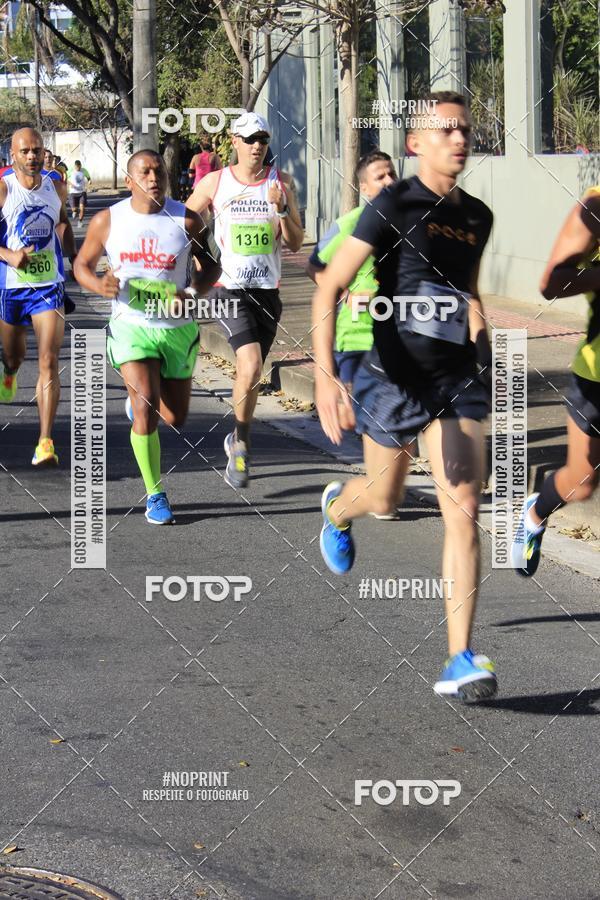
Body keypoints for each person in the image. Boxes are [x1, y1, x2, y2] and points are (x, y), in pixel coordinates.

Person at [312, 92, 497, 702]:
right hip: (392, 376)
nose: (459, 138)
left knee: (464, 505)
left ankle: (459, 658)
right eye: (445, 130)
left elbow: (468, 293)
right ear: (416, 143)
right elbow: (331, 285)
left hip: (457, 379)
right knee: (385, 497)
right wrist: (326, 377)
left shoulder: (478, 217)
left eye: (465, 129)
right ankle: (340, 509)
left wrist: (486, 358)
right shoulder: (394, 202)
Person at [74, 149, 221, 524]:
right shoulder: (108, 221)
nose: (154, 177)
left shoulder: (187, 219)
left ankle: (146, 407)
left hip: (176, 330)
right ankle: (155, 495)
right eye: (145, 172)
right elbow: (81, 265)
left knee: (173, 416)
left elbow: (211, 266)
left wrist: (188, 294)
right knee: (145, 407)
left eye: (159, 171)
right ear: (130, 181)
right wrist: (98, 284)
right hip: (130, 326)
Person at [186, 112, 304, 490]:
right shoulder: (215, 182)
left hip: (267, 293)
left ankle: (239, 435)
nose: (257, 145)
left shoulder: (281, 183)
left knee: (250, 375)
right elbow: (184, 220)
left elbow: (297, 242)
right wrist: (199, 256)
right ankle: (240, 443)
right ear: (234, 141)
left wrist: (282, 209)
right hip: (228, 289)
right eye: (250, 138)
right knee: (250, 364)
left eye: (263, 139)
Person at [307, 149, 410, 520]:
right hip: (355, 339)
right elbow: (315, 266)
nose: (389, 182)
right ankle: (373, 491)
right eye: (380, 177)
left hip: (399, 340)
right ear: (364, 187)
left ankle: (376, 488)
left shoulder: (411, 220)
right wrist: (346, 291)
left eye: (392, 174)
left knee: (401, 436)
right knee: (355, 416)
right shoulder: (348, 223)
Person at [511, 184, 600, 575]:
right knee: (582, 483)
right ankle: (536, 509)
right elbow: (552, 281)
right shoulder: (596, 204)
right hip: (596, 375)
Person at [0, 127, 75, 465]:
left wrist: (73, 255)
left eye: (37, 150)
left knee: (48, 360)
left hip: (48, 285)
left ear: (45, 152)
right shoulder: (3, 188)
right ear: (12, 156)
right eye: (25, 151)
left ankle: (45, 441)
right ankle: (10, 371)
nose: (32, 156)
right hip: (11, 287)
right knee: (15, 355)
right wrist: (9, 255)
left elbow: (61, 222)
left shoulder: (56, 185)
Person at [68, 160, 91, 227]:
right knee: (74, 209)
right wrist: (70, 184)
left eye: (79, 167)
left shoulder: (84, 170)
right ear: (75, 166)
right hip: (73, 193)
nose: (78, 168)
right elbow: (65, 178)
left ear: (80, 165)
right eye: (77, 167)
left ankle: (80, 222)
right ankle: (74, 211)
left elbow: (88, 177)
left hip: (82, 192)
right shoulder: (71, 170)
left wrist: (89, 181)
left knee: (82, 208)